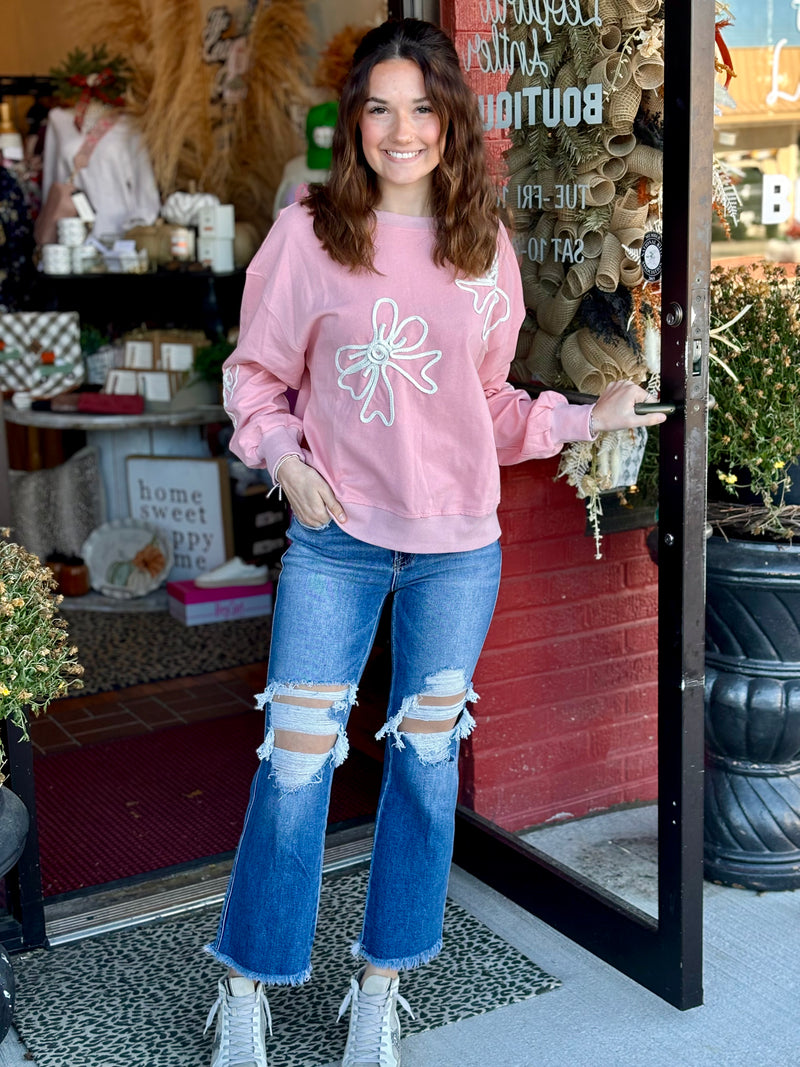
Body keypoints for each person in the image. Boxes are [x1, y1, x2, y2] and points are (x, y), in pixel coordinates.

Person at [203, 17, 666, 1067]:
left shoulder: (480, 246)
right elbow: (253, 377)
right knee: (292, 767)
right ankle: (247, 980)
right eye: (379, 107)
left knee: (422, 769)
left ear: (449, 119)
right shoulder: (307, 233)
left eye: (420, 107)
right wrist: (281, 454)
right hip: (336, 543)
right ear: (353, 122)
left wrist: (580, 420)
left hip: (457, 548)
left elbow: (489, 408)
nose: (399, 129)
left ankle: (381, 983)